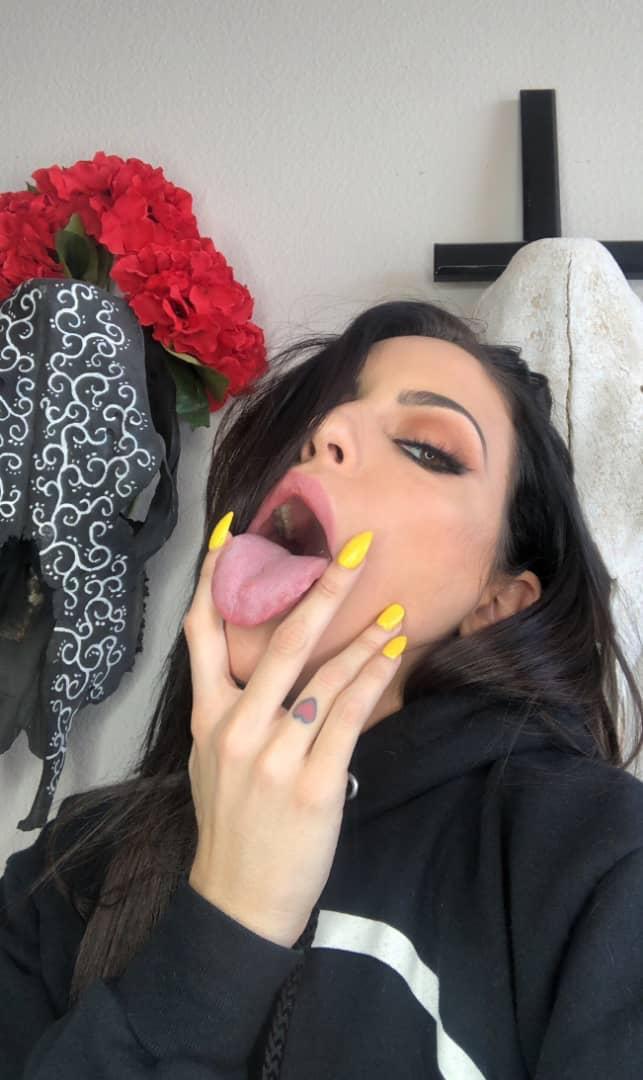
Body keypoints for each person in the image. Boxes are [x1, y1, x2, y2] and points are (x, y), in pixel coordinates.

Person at [1, 298, 642, 1078]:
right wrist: (226, 924)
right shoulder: (65, 874)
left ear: (497, 602)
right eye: (317, 416)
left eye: (424, 448)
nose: (323, 433)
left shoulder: (601, 866)